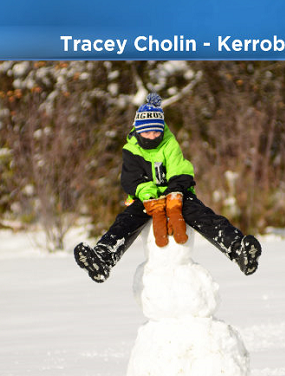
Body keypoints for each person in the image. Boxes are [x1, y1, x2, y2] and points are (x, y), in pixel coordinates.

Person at [74, 93, 261, 283]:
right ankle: (103, 258)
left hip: (177, 193)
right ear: (138, 131)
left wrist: (175, 193)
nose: (152, 136)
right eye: (147, 133)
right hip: (145, 198)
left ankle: (238, 250)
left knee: (204, 216)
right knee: (126, 221)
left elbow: (179, 169)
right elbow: (131, 178)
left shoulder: (170, 144)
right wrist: (148, 196)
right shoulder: (131, 150)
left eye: (156, 132)